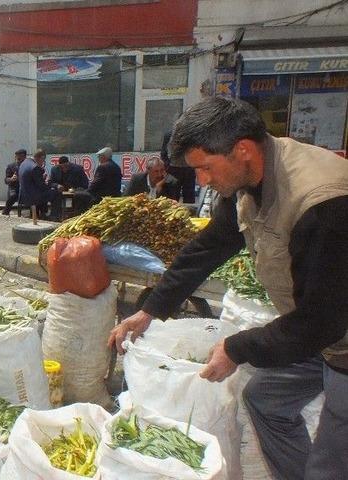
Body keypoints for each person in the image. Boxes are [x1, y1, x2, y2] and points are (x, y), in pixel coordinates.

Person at [107, 97, 348, 480]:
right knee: (265, 399)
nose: (200, 180)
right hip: (318, 329)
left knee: (332, 465)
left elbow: (323, 320)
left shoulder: (321, 204)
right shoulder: (248, 180)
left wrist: (236, 348)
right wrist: (150, 308)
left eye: (204, 168)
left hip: (338, 338)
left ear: (242, 149)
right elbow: (208, 247)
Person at [162, 129, 197, 203]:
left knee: (189, 196)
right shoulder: (169, 134)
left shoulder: (191, 134)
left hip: (189, 170)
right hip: (173, 170)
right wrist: (168, 166)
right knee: (172, 196)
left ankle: (189, 213)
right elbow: (163, 152)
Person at [18, 149, 53, 219]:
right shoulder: (35, 167)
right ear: (41, 158)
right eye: (43, 160)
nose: (43, 162)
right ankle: (53, 215)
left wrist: (41, 177)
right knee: (55, 192)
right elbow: (42, 186)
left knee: (46, 192)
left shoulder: (24, 162)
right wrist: (48, 181)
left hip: (23, 194)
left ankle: (42, 213)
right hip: (33, 196)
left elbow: (32, 179)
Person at [2, 149, 26, 215]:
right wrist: (11, 179)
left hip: (26, 187)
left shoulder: (28, 166)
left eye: (21, 158)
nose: (19, 160)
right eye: (17, 158)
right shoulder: (11, 166)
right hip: (14, 187)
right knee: (13, 195)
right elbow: (6, 180)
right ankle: (6, 211)